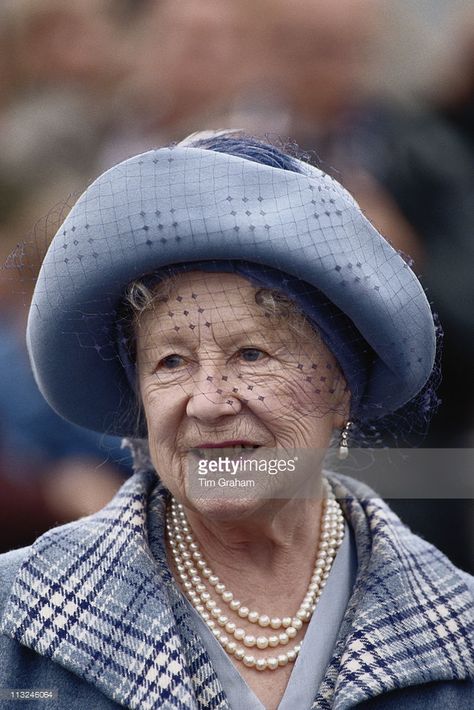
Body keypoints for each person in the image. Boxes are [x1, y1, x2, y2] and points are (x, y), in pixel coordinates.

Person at [0, 133, 472, 709]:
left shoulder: (456, 632)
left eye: (252, 355)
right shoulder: (16, 621)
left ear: (343, 391)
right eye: (171, 361)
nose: (207, 402)